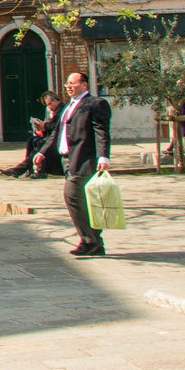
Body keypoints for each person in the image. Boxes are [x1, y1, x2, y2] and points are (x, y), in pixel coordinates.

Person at [58, 70, 113, 257]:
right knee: (82, 201)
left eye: (73, 83)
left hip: (84, 160)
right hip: (67, 159)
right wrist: (41, 152)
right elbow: (58, 132)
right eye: (67, 84)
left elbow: (101, 131)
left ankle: (89, 240)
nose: (69, 87)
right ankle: (95, 243)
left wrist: (103, 157)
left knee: (72, 197)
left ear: (84, 85)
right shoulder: (68, 107)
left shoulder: (96, 104)